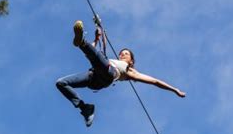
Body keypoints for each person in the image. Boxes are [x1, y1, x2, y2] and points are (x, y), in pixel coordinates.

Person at [56, 20, 186, 127]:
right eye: (121, 53)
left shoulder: (130, 71)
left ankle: (82, 43)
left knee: (99, 58)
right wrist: (96, 39)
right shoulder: (112, 60)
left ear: (131, 60)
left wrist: (175, 90)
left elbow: (155, 81)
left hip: (107, 76)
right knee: (61, 83)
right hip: (92, 77)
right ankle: (85, 108)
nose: (122, 54)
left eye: (126, 53)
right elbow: (93, 52)